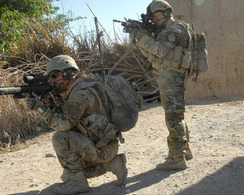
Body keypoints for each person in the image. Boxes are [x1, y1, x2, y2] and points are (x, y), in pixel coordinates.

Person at [26, 55, 127, 194]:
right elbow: (70, 117)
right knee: (69, 173)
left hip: (101, 148)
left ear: (68, 73)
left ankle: (77, 183)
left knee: (60, 138)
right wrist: (51, 106)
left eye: (55, 75)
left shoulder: (79, 95)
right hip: (104, 145)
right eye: (50, 77)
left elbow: (63, 125)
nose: (52, 81)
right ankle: (113, 164)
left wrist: (41, 108)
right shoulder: (80, 87)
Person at [131, 0, 193, 170]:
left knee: (173, 115)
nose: (155, 19)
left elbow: (159, 50)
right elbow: (151, 52)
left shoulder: (175, 29)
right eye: (153, 17)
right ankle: (184, 150)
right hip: (168, 76)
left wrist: (142, 37)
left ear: (167, 12)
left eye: (157, 15)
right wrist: (140, 36)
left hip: (173, 76)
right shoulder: (165, 31)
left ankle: (176, 158)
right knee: (175, 113)